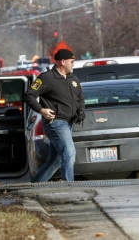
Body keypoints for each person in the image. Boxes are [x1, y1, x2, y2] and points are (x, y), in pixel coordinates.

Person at [23, 49, 85, 182]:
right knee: (69, 154)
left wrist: (81, 110)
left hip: (68, 123)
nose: (73, 64)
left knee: (55, 160)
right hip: (55, 123)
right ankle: (70, 188)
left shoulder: (73, 79)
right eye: (71, 62)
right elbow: (29, 95)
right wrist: (41, 110)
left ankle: (33, 187)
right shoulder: (47, 78)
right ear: (63, 62)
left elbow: (80, 98)